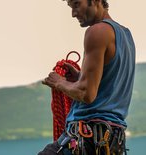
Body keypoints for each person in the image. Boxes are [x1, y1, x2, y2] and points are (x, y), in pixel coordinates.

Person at [39, 0, 135, 154]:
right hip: (111, 140)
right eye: (71, 7)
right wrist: (79, 78)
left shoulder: (97, 31)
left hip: (88, 135)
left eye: (77, 4)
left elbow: (86, 93)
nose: (73, 14)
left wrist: (59, 82)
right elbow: (107, 83)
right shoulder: (125, 34)